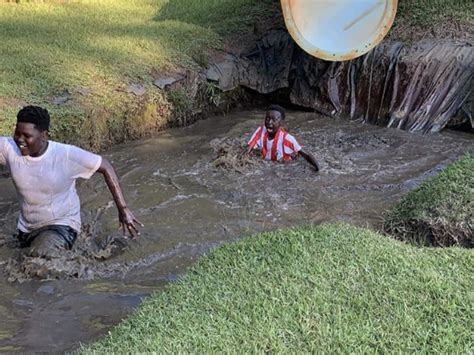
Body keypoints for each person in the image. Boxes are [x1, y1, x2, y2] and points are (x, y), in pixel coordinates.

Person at [0, 105, 142, 258]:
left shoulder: (66, 155)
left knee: (40, 261)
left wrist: (123, 208)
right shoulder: (10, 149)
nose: (20, 140)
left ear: (44, 135)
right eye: (17, 134)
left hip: (61, 225)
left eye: (27, 136)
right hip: (26, 228)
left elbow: (106, 167)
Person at [247, 105, 319, 171]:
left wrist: (318, 170)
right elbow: (248, 149)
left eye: (273, 120)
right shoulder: (260, 131)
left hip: (285, 167)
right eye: (267, 119)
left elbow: (305, 155)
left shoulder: (287, 139)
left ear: (280, 122)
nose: (269, 122)